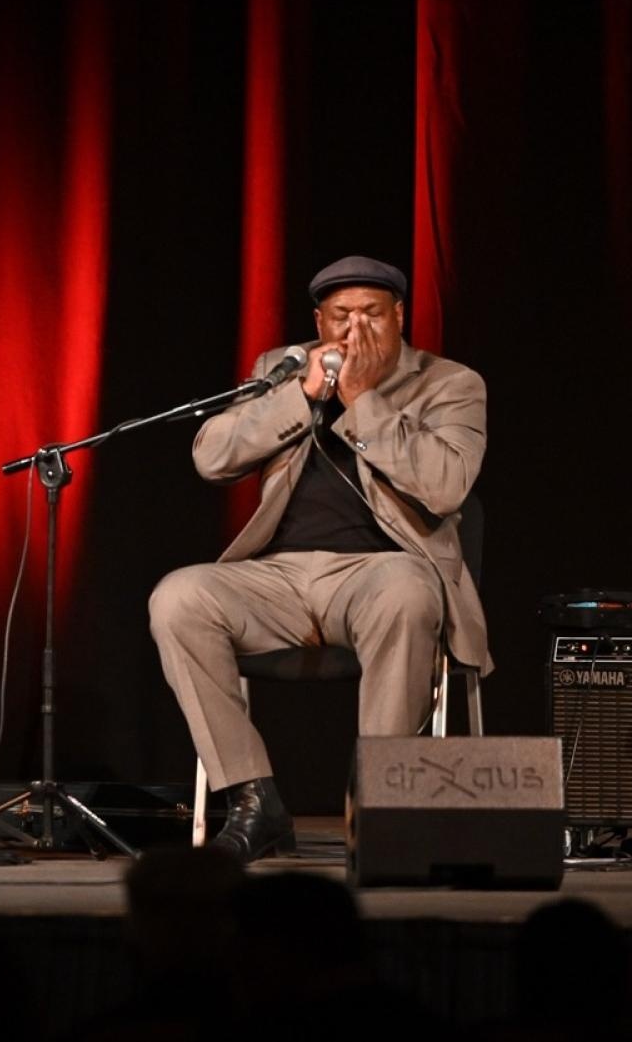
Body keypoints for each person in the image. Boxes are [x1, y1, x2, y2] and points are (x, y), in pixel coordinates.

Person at [149, 255, 489, 862]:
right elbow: (212, 457)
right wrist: (300, 396)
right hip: (278, 577)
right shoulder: (282, 369)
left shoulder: (450, 383)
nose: (354, 330)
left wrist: (361, 404)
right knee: (177, 597)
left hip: (383, 570)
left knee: (407, 591)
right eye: (340, 316)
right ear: (319, 320)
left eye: (372, 314)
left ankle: (380, 811)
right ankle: (255, 802)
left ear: (401, 315)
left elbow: (445, 486)